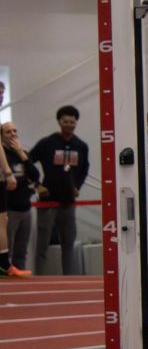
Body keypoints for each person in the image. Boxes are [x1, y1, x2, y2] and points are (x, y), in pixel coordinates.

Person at [29, 105, 89, 275]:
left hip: (68, 203)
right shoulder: (47, 143)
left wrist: (77, 186)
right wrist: (37, 185)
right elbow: (28, 162)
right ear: (59, 122)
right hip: (47, 203)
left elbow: (84, 169)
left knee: (68, 243)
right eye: (66, 121)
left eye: (72, 121)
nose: (69, 124)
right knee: (42, 244)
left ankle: (68, 279)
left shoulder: (81, 146)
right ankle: (38, 277)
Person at [1, 122, 38, 276]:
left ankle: (17, 274)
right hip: (10, 207)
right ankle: (5, 269)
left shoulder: (22, 153)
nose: (13, 134)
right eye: (9, 131)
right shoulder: (3, 154)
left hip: (25, 207)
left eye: (15, 130)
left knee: (21, 249)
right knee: (7, 245)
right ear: (2, 136)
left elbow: (35, 176)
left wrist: (22, 155)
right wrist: (9, 174)